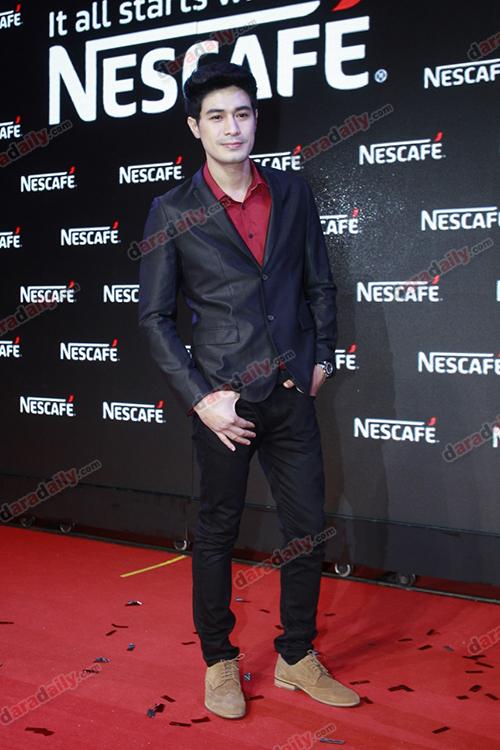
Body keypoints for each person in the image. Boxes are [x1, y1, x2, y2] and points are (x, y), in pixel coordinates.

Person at [138, 55, 360, 719]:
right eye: (216, 116)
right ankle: (219, 660)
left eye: (241, 114)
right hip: (223, 404)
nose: (231, 127)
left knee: (306, 530)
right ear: (195, 127)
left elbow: (319, 282)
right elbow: (153, 318)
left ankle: (296, 655)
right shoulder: (172, 209)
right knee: (216, 533)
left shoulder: (292, 192)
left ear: (256, 120)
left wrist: (322, 356)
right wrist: (202, 398)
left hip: (291, 391)